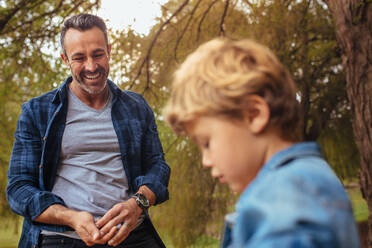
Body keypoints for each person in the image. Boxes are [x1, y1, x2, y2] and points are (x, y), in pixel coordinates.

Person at [163, 38, 360, 247]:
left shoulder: (288, 195)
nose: (206, 161)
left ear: (253, 115)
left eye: (206, 143)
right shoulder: (300, 182)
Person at [7, 14, 170, 248]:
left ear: (109, 51)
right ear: (65, 60)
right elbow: (18, 189)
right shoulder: (36, 112)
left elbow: (158, 166)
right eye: (79, 58)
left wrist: (138, 203)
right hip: (60, 239)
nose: (91, 66)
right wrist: (70, 217)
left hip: (133, 235)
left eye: (98, 54)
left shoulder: (136, 106)